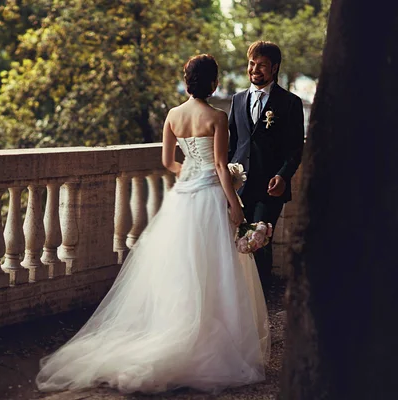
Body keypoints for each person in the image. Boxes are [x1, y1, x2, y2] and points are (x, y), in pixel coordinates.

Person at [36, 54, 269, 395]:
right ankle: (204, 337)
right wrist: (236, 207)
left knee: (180, 269)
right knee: (214, 268)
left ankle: (173, 328)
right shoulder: (217, 117)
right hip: (208, 197)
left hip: (183, 197)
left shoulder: (173, 115)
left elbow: (166, 161)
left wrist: (189, 173)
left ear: (187, 80)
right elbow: (221, 165)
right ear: (213, 83)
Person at [228, 41, 305, 292]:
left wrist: (283, 176)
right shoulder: (237, 100)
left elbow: (295, 149)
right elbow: (232, 144)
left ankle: (260, 296)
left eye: (261, 65)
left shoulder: (290, 103)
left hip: (270, 187)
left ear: (275, 68)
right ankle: (240, 297)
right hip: (239, 187)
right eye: (252, 64)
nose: (255, 69)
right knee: (237, 241)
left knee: (259, 240)